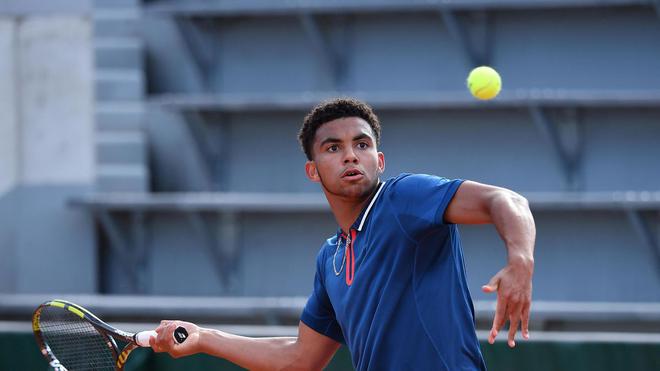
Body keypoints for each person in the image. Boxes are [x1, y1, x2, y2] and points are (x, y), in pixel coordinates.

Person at [151, 98, 535, 370]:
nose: (351, 155)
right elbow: (299, 359)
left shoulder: (404, 198)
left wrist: (520, 260)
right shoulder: (330, 259)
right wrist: (203, 338)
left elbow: (505, 200)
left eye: (362, 144)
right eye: (333, 147)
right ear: (313, 171)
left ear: (378, 160)